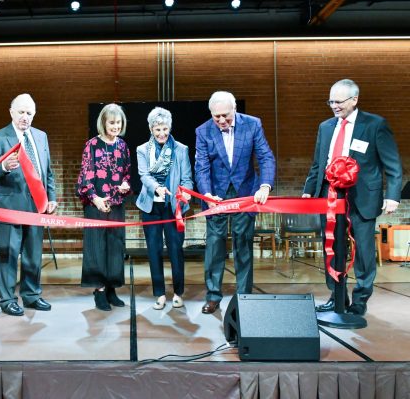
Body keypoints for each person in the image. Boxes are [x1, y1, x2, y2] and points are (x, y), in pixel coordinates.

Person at [303, 79, 402, 316]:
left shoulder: (375, 124)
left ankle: (360, 299)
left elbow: (393, 164)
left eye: (339, 101)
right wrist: (309, 190)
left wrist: (393, 195)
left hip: (362, 197)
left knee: (364, 251)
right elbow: (318, 163)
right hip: (329, 196)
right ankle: (337, 297)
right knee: (331, 248)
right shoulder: (325, 126)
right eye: (331, 101)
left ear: (354, 100)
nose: (334, 106)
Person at [195, 91, 276, 314]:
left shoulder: (253, 125)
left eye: (225, 116)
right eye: (216, 116)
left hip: (245, 193)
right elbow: (201, 166)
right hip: (216, 198)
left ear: (235, 110)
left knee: (243, 245)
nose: (221, 120)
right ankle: (213, 296)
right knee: (214, 246)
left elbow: (265, 156)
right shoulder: (203, 131)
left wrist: (265, 185)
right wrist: (206, 193)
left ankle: (244, 296)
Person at [0, 93, 57, 317]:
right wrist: (3, 165)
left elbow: (48, 172)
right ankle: (7, 300)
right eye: (21, 112)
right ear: (11, 112)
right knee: (8, 253)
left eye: (29, 113)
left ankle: (32, 295)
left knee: (33, 254)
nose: (25, 117)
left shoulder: (41, 136)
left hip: (37, 206)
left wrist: (51, 197)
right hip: (10, 206)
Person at [136, 107, 193, 310]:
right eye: (157, 129)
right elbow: (144, 175)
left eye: (165, 129)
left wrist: (186, 192)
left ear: (170, 127)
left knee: (176, 250)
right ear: (151, 128)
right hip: (150, 207)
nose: (162, 133)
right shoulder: (142, 150)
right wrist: (157, 188)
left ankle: (178, 292)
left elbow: (187, 178)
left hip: (174, 207)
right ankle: (159, 293)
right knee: (154, 250)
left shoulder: (181, 149)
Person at [77, 103, 131, 311]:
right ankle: (99, 292)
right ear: (103, 123)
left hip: (116, 204)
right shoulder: (92, 145)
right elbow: (85, 175)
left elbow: (126, 173)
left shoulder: (123, 146)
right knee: (97, 248)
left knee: (115, 247)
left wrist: (126, 185)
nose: (115, 126)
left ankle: (112, 289)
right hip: (95, 204)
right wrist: (95, 198)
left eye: (118, 123)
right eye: (112, 123)